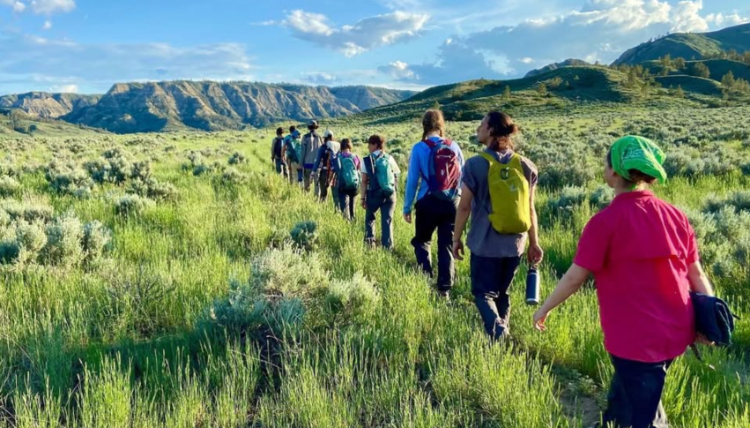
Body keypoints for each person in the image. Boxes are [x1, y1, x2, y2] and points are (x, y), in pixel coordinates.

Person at [532, 136, 715, 428]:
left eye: (606, 163)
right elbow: (697, 274)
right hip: (677, 330)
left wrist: (545, 308)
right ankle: (613, 420)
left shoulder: (605, 222)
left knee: (649, 416)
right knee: (629, 390)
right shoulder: (675, 215)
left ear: (615, 172)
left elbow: (575, 277)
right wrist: (707, 319)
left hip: (635, 338)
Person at [453, 111, 543, 339]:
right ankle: (502, 336)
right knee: (503, 293)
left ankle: (499, 331)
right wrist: (534, 242)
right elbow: (531, 208)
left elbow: (464, 207)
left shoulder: (475, 165)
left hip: (484, 244)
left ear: (492, 130)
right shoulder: (526, 165)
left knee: (483, 294)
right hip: (515, 244)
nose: (477, 129)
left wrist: (456, 239)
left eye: (481, 125)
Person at [403, 109, 465, 299]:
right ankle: (444, 289)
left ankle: (426, 278)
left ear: (424, 125)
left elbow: (413, 180)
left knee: (422, 241)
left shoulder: (419, 148)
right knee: (446, 244)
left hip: (427, 202)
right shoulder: (454, 146)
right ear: (440, 125)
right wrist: (457, 198)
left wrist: (407, 206)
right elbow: (462, 177)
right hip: (451, 203)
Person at [362, 135, 401, 249]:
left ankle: (370, 245)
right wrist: (394, 191)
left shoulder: (367, 160)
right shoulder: (389, 158)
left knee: (370, 217)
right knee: (387, 220)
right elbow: (396, 174)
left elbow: (364, 181)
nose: (368, 147)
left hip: (374, 193)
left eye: (369, 144)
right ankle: (387, 247)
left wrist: (362, 198)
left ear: (375, 145)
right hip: (389, 194)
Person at [332, 138, 361, 220]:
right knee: (353, 207)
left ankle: (346, 223)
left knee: (345, 207)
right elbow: (359, 169)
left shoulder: (339, 157)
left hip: (343, 185)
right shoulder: (356, 157)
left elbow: (335, 170)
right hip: (355, 185)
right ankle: (353, 223)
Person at [311, 130, 341, 203]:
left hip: (325, 172)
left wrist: (313, 172)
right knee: (336, 195)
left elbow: (317, 161)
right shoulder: (338, 146)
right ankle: (338, 210)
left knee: (323, 193)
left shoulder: (323, 148)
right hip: (336, 173)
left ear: (325, 138)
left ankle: (322, 208)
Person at [301, 120, 324, 195]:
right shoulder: (319, 137)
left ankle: (306, 196)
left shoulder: (305, 137)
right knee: (317, 183)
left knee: (306, 182)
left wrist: (301, 163)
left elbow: (303, 152)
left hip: (307, 163)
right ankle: (316, 199)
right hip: (317, 164)